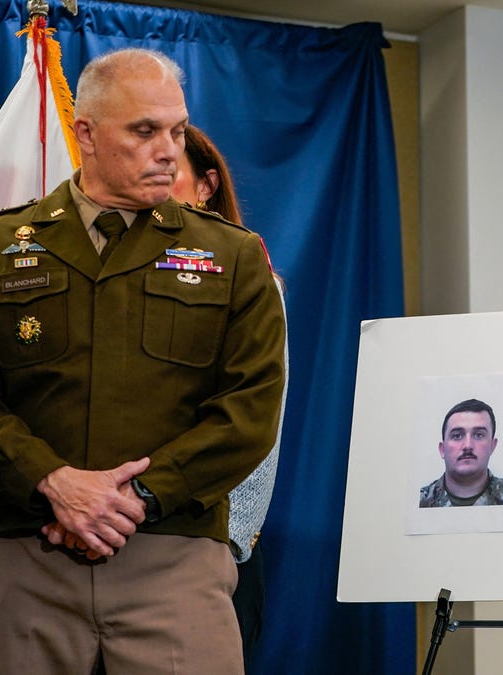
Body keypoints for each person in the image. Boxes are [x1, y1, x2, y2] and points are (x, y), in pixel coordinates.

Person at [0, 49, 285, 674]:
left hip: (173, 555)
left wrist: (137, 498)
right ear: (87, 134)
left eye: (177, 131)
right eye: (145, 131)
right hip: (27, 553)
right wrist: (54, 483)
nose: (170, 151)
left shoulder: (232, 258)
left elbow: (251, 411)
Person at [171, 123, 287, 670]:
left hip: (206, 546)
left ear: (206, 185)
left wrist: (229, 543)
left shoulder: (246, 276)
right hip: (119, 545)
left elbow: (255, 421)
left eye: (170, 171)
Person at [418, 398, 503, 507]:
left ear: (492, 446)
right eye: (457, 436)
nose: (468, 446)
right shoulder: (420, 501)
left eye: (479, 435)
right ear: (442, 449)